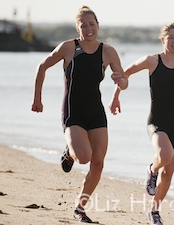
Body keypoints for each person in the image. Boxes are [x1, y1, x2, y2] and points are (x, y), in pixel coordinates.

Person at [31, 6, 128, 223]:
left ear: (98, 26)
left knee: (99, 163)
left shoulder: (108, 51)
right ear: (78, 28)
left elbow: (124, 80)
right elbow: (42, 66)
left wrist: (121, 82)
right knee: (84, 157)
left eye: (92, 24)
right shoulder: (68, 48)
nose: (88, 28)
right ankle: (70, 152)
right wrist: (38, 97)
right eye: (83, 25)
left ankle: (80, 207)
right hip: (72, 111)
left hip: (96, 113)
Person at [109, 22, 174, 225]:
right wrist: (116, 96)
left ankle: (154, 211)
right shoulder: (152, 60)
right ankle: (151, 170)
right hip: (156, 120)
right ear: (162, 39)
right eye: (171, 37)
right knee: (164, 156)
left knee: (169, 173)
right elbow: (125, 73)